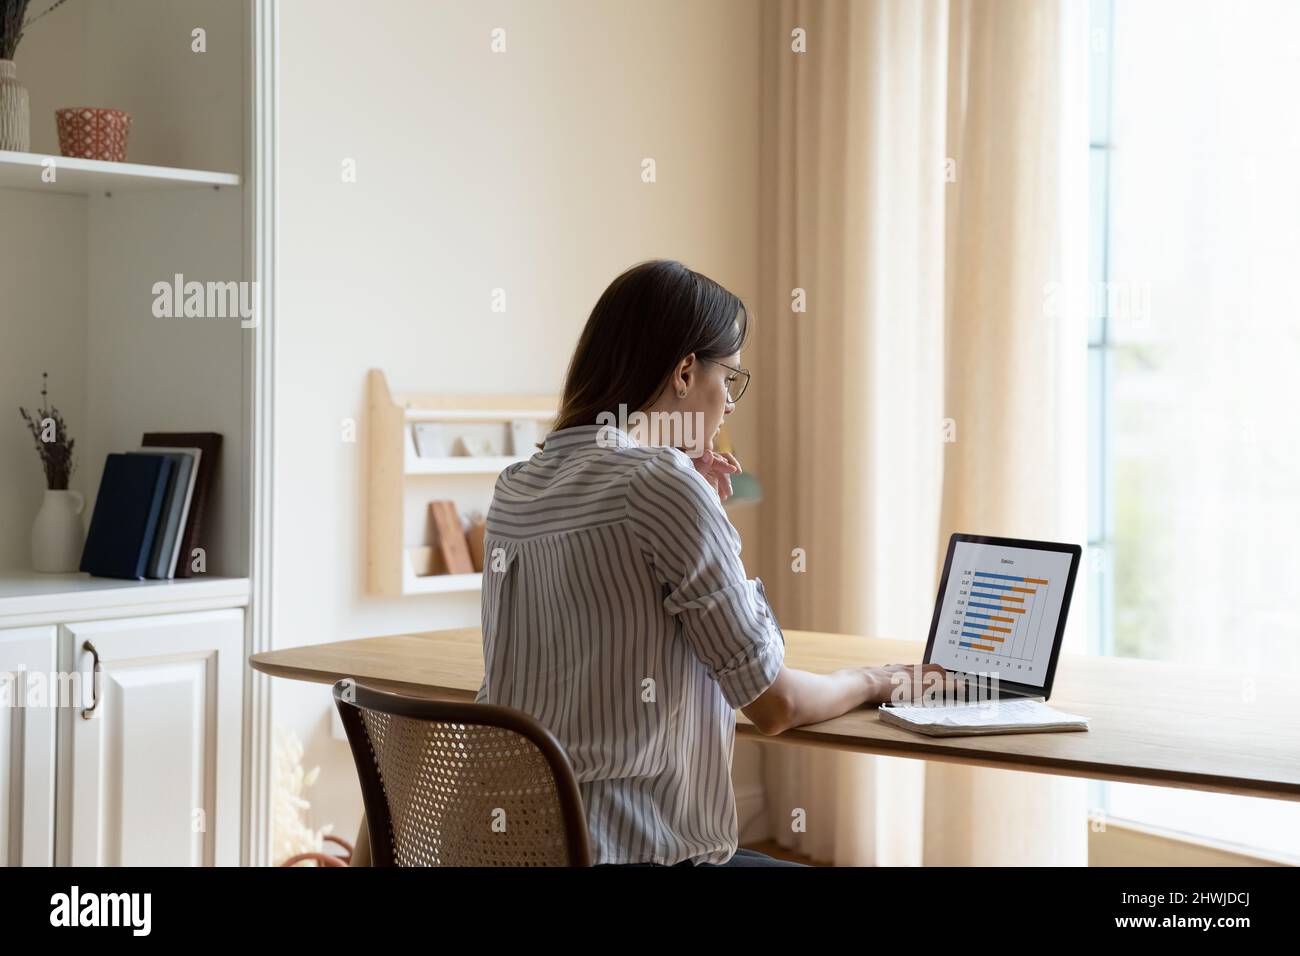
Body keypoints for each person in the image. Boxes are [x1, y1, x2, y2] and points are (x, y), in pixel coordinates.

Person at [475, 258, 945, 867]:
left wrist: (691, 501)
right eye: (731, 377)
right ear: (684, 371)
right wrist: (879, 679)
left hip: (514, 846)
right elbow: (775, 704)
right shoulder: (659, 483)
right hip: (635, 850)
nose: (728, 403)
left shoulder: (515, 486)